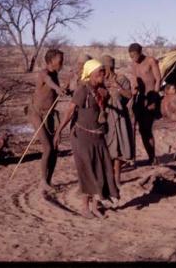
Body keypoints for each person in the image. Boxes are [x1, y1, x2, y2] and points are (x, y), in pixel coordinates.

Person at [54, 59, 119, 219]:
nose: (102, 75)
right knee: (87, 171)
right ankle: (85, 208)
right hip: (82, 137)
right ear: (90, 74)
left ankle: (96, 207)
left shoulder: (102, 91)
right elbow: (70, 112)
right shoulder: (82, 90)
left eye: (103, 72)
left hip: (98, 136)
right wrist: (58, 132)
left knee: (101, 169)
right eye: (99, 72)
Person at [27, 48, 67, 191]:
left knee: (55, 148)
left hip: (50, 115)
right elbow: (49, 82)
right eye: (60, 61)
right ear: (51, 61)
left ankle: (48, 181)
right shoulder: (44, 73)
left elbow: (56, 89)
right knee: (48, 147)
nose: (62, 63)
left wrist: (64, 90)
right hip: (36, 113)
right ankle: (43, 181)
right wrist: (57, 88)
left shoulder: (56, 74)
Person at [102, 55, 135, 187]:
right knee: (108, 148)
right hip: (106, 119)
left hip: (120, 118)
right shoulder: (100, 81)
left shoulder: (122, 79)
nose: (103, 71)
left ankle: (117, 179)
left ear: (109, 67)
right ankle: (109, 178)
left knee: (119, 150)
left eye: (104, 68)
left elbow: (129, 95)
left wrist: (118, 87)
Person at [128, 43, 162, 165]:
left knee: (146, 129)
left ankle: (152, 157)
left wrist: (154, 97)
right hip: (139, 99)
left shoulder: (150, 61)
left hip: (151, 97)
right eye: (131, 56)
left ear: (140, 52)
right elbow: (133, 81)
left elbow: (158, 78)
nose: (133, 58)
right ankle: (133, 158)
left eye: (135, 55)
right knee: (137, 129)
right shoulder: (133, 64)